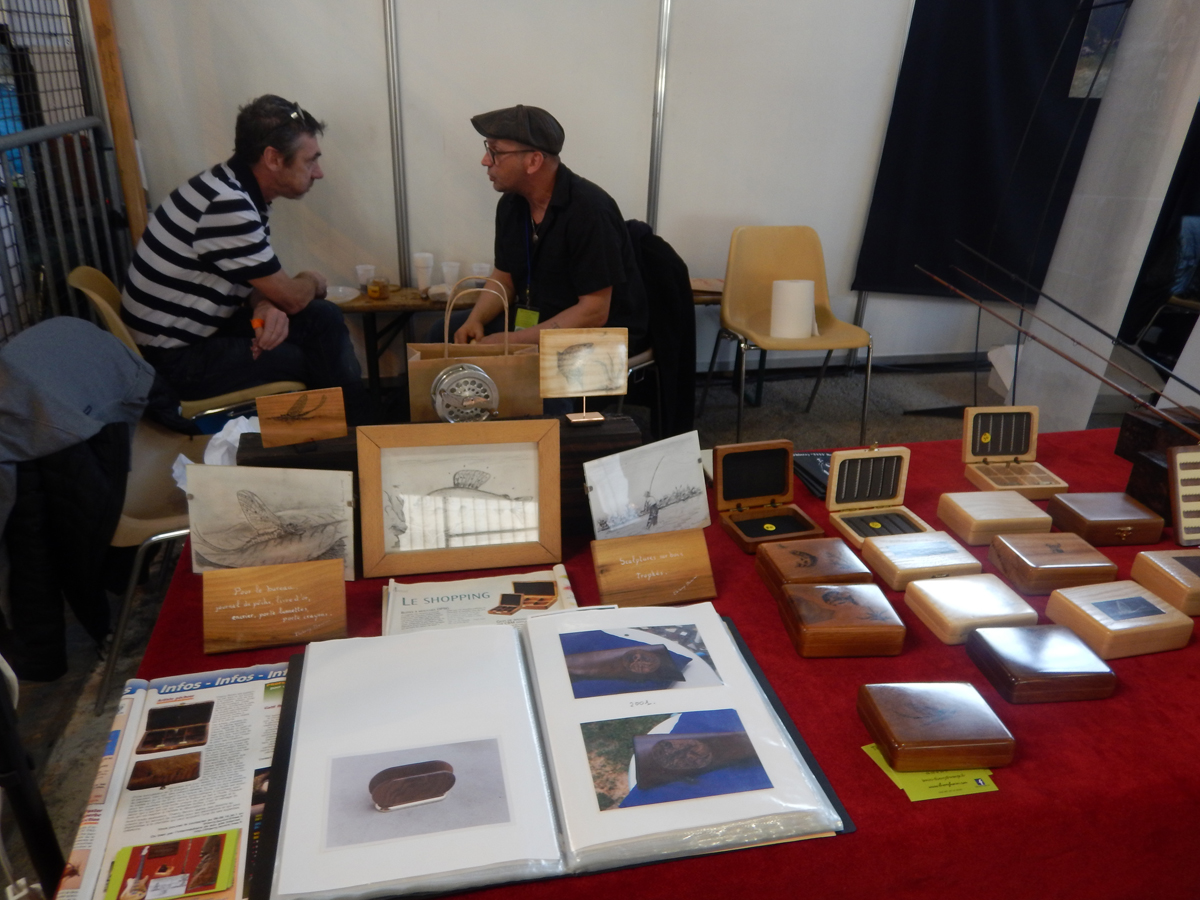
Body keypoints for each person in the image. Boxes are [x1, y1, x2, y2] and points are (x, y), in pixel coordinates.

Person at [120, 94, 367, 416]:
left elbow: (252, 280)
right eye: (309, 161)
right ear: (273, 158)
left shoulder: (227, 186)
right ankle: (355, 433)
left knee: (322, 318)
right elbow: (292, 298)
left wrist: (264, 304)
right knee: (312, 357)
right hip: (174, 362)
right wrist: (312, 279)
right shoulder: (228, 205)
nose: (318, 173)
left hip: (194, 336)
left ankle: (352, 428)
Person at [454, 104, 648, 354]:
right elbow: (504, 278)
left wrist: (515, 341)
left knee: (526, 375)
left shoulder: (590, 210)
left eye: (496, 152)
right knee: (444, 333)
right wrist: (475, 320)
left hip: (596, 337)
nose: (485, 161)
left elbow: (594, 311)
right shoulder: (511, 204)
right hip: (540, 321)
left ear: (534, 161)